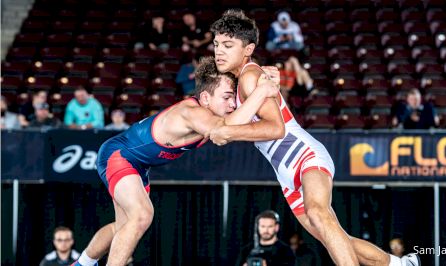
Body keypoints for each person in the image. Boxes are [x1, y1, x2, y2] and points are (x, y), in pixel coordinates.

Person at [210, 9, 420, 266]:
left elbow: (276, 129)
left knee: (320, 214)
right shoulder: (244, 79)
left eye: (228, 45)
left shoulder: (250, 76)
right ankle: (401, 264)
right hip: (287, 174)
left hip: (304, 155)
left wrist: (229, 132)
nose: (219, 50)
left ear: (248, 49)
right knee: (335, 236)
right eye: (217, 44)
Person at [71, 57, 281, 266]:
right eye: (227, 97)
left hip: (138, 164)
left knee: (124, 227)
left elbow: (236, 118)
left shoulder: (210, 113)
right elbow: (226, 129)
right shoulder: (192, 112)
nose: (233, 103)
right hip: (119, 155)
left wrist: (258, 76)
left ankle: (82, 264)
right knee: (142, 215)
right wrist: (262, 91)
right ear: (206, 98)